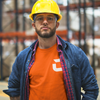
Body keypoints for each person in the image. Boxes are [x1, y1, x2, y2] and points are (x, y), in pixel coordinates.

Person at [3, 0, 99, 100]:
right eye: (40, 18)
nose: (45, 22)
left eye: (50, 18)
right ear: (33, 25)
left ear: (57, 24)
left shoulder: (76, 54)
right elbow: (14, 89)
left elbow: (91, 89)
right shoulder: (23, 57)